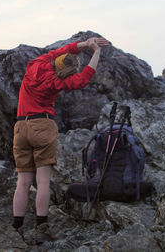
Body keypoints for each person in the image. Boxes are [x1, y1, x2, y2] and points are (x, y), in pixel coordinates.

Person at [12, 36, 109, 230]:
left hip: (21, 127)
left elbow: (60, 50)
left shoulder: (35, 64)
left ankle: (17, 225)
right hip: (43, 126)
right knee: (43, 181)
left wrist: (84, 44)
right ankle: (41, 225)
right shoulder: (57, 82)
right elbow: (83, 79)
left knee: (22, 182)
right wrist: (96, 52)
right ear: (67, 72)